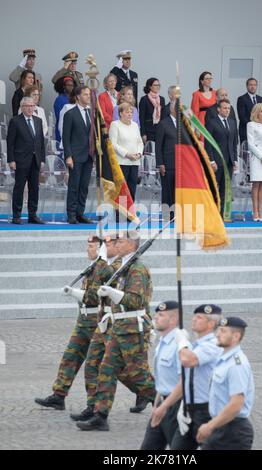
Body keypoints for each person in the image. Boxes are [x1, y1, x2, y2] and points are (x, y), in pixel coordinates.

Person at [77, 231, 156, 431]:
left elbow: (135, 301)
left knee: (139, 375)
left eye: (120, 241)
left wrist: (112, 292)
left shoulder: (138, 269)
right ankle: (100, 416)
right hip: (119, 327)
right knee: (106, 369)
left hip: (132, 329)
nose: (116, 245)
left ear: (131, 245)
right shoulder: (124, 266)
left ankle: (170, 407)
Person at [34, 235, 119, 411]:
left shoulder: (104, 268)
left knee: (107, 364)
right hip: (84, 320)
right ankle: (59, 395)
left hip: (96, 320)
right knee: (70, 356)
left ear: (100, 248)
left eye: (92, 246)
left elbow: (95, 297)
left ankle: (143, 391)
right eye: (87, 246)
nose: (88, 249)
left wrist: (73, 293)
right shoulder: (92, 267)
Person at [151, 304, 222, 450]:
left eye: (199, 317)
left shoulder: (212, 345)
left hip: (205, 410)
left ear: (211, 323)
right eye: (194, 316)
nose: (194, 320)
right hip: (188, 408)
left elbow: (188, 361)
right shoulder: (196, 345)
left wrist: (182, 342)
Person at [196, 317, 255, 450]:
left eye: (223, 331)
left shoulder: (236, 364)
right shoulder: (223, 360)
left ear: (235, 336)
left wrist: (209, 426)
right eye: (218, 330)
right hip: (220, 426)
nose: (217, 334)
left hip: (234, 432)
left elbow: (236, 404)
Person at [140, 301, 181, 450]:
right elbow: (162, 380)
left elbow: (183, 383)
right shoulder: (162, 342)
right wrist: (157, 403)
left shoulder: (179, 345)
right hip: (162, 404)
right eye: (156, 314)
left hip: (176, 406)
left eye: (161, 315)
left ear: (173, 320)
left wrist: (164, 406)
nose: (155, 317)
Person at [7, 97, 45, 225]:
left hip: (35, 160)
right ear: (22, 107)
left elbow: (41, 143)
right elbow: (10, 143)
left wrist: (42, 159)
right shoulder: (15, 121)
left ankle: (32, 215)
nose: (30, 108)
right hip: (21, 160)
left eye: (32, 105)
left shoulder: (38, 121)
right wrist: (11, 160)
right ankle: (16, 215)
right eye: (27, 106)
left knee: (34, 188)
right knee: (19, 188)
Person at [62, 86, 93, 224]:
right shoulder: (70, 113)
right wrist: (68, 156)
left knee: (84, 186)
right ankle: (71, 214)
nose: (88, 97)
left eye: (89, 94)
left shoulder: (91, 113)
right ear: (78, 97)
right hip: (75, 156)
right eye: (85, 94)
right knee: (74, 186)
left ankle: (80, 212)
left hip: (89, 155)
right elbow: (66, 137)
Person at [205, 99, 238, 218]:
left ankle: (221, 215)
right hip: (216, 162)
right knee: (213, 189)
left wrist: (235, 160)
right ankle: (210, 214)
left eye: (228, 108)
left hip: (228, 162)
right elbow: (208, 143)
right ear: (218, 109)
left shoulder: (232, 122)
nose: (227, 110)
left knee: (225, 190)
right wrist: (211, 160)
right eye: (224, 108)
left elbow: (234, 143)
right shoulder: (211, 122)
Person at [109, 102, 143, 201]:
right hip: (122, 162)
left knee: (132, 190)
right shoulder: (115, 125)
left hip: (135, 162)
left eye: (131, 112)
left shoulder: (135, 125)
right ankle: (121, 215)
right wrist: (127, 154)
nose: (130, 114)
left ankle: (130, 214)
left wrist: (139, 154)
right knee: (122, 191)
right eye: (127, 112)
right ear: (120, 113)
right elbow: (113, 144)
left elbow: (140, 142)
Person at [155, 100, 177, 218]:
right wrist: (160, 163)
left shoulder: (184, 123)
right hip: (167, 163)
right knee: (167, 190)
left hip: (180, 164)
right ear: (172, 109)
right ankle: (166, 214)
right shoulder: (163, 124)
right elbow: (158, 146)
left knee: (177, 191)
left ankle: (176, 214)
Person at [139, 78, 166, 146]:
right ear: (150, 86)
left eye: (158, 85)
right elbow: (141, 117)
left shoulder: (162, 99)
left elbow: (163, 116)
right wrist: (143, 133)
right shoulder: (144, 99)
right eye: (155, 85)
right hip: (148, 131)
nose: (157, 87)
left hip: (159, 130)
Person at [237, 78, 262, 144]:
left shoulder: (260, 99)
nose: (253, 87)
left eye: (254, 85)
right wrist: (253, 125)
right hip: (246, 130)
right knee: (246, 152)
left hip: (258, 131)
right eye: (251, 85)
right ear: (247, 86)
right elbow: (242, 117)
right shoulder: (242, 99)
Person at [54, 76, 75, 142]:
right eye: (68, 85)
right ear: (64, 86)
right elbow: (59, 116)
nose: (70, 87)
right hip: (62, 129)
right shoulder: (59, 99)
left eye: (72, 85)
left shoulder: (75, 99)